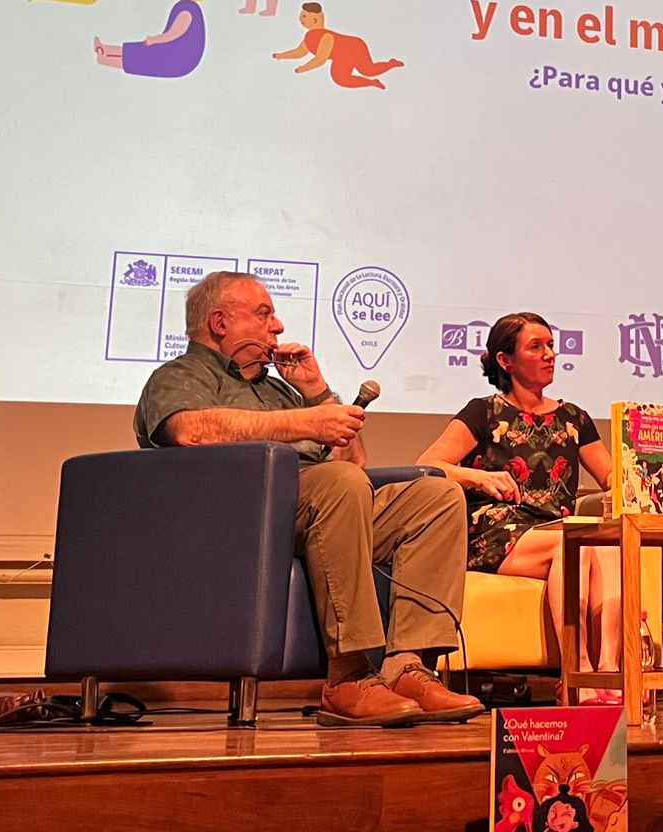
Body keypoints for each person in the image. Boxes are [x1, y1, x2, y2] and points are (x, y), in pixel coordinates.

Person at [133, 270, 483, 727]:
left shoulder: (279, 389)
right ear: (219, 322)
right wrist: (305, 423)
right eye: (264, 314)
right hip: (240, 516)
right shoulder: (180, 375)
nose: (277, 327)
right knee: (339, 485)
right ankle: (348, 676)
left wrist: (316, 392)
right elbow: (192, 431)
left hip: (322, 507)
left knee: (437, 496)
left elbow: (353, 465)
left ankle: (407, 666)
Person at [416, 312, 622, 702]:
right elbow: (428, 465)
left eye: (550, 345)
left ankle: (609, 673)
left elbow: (611, 475)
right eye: (535, 347)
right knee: (570, 545)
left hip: (555, 528)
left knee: (604, 544)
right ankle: (576, 673)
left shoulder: (574, 417)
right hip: (497, 530)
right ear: (505, 361)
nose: (549, 354)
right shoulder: (484, 411)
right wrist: (480, 478)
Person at [95, 0, 207, 77]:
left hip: (179, 57)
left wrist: (154, 40)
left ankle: (105, 58)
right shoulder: (186, 6)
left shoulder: (187, 9)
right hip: (177, 54)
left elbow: (174, 34)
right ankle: (106, 50)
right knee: (142, 51)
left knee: (145, 54)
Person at [273, 2, 404, 89]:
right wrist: (281, 56)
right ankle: (372, 82)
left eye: (304, 16)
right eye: (301, 16)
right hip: (341, 56)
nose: (301, 19)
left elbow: (321, 59)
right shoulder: (309, 37)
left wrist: (304, 68)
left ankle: (391, 64)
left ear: (315, 19)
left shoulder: (326, 37)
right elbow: (300, 52)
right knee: (340, 79)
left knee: (368, 70)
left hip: (354, 47)